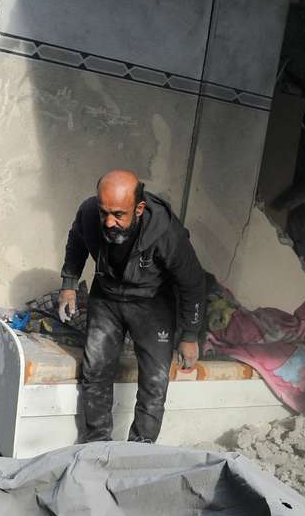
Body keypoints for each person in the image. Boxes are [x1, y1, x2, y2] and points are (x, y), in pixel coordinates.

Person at [58, 170, 205, 443]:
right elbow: (77, 241)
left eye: (118, 215)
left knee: (154, 381)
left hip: (153, 303)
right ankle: (97, 444)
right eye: (104, 213)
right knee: (95, 370)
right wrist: (69, 283)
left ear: (139, 209)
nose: (109, 222)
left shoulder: (167, 234)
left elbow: (193, 284)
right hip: (107, 296)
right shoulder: (89, 213)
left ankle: (140, 449)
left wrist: (189, 335)